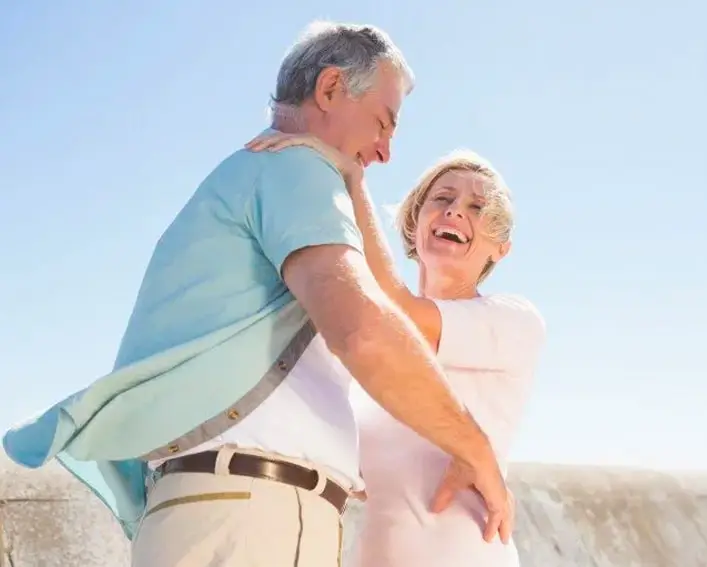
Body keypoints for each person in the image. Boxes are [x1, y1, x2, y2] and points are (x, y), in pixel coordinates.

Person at [2, 21, 514, 567]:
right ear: (331, 88)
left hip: (203, 509)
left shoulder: (246, 174)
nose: (386, 151)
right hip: (255, 513)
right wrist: (476, 450)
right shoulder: (298, 167)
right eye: (383, 123)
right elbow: (366, 329)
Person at [245, 131, 546, 567]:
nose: (455, 211)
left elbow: (394, 309)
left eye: (477, 208)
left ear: (501, 248)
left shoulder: (514, 321)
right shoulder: (372, 368)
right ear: (414, 222)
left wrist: (353, 178)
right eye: (442, 198)